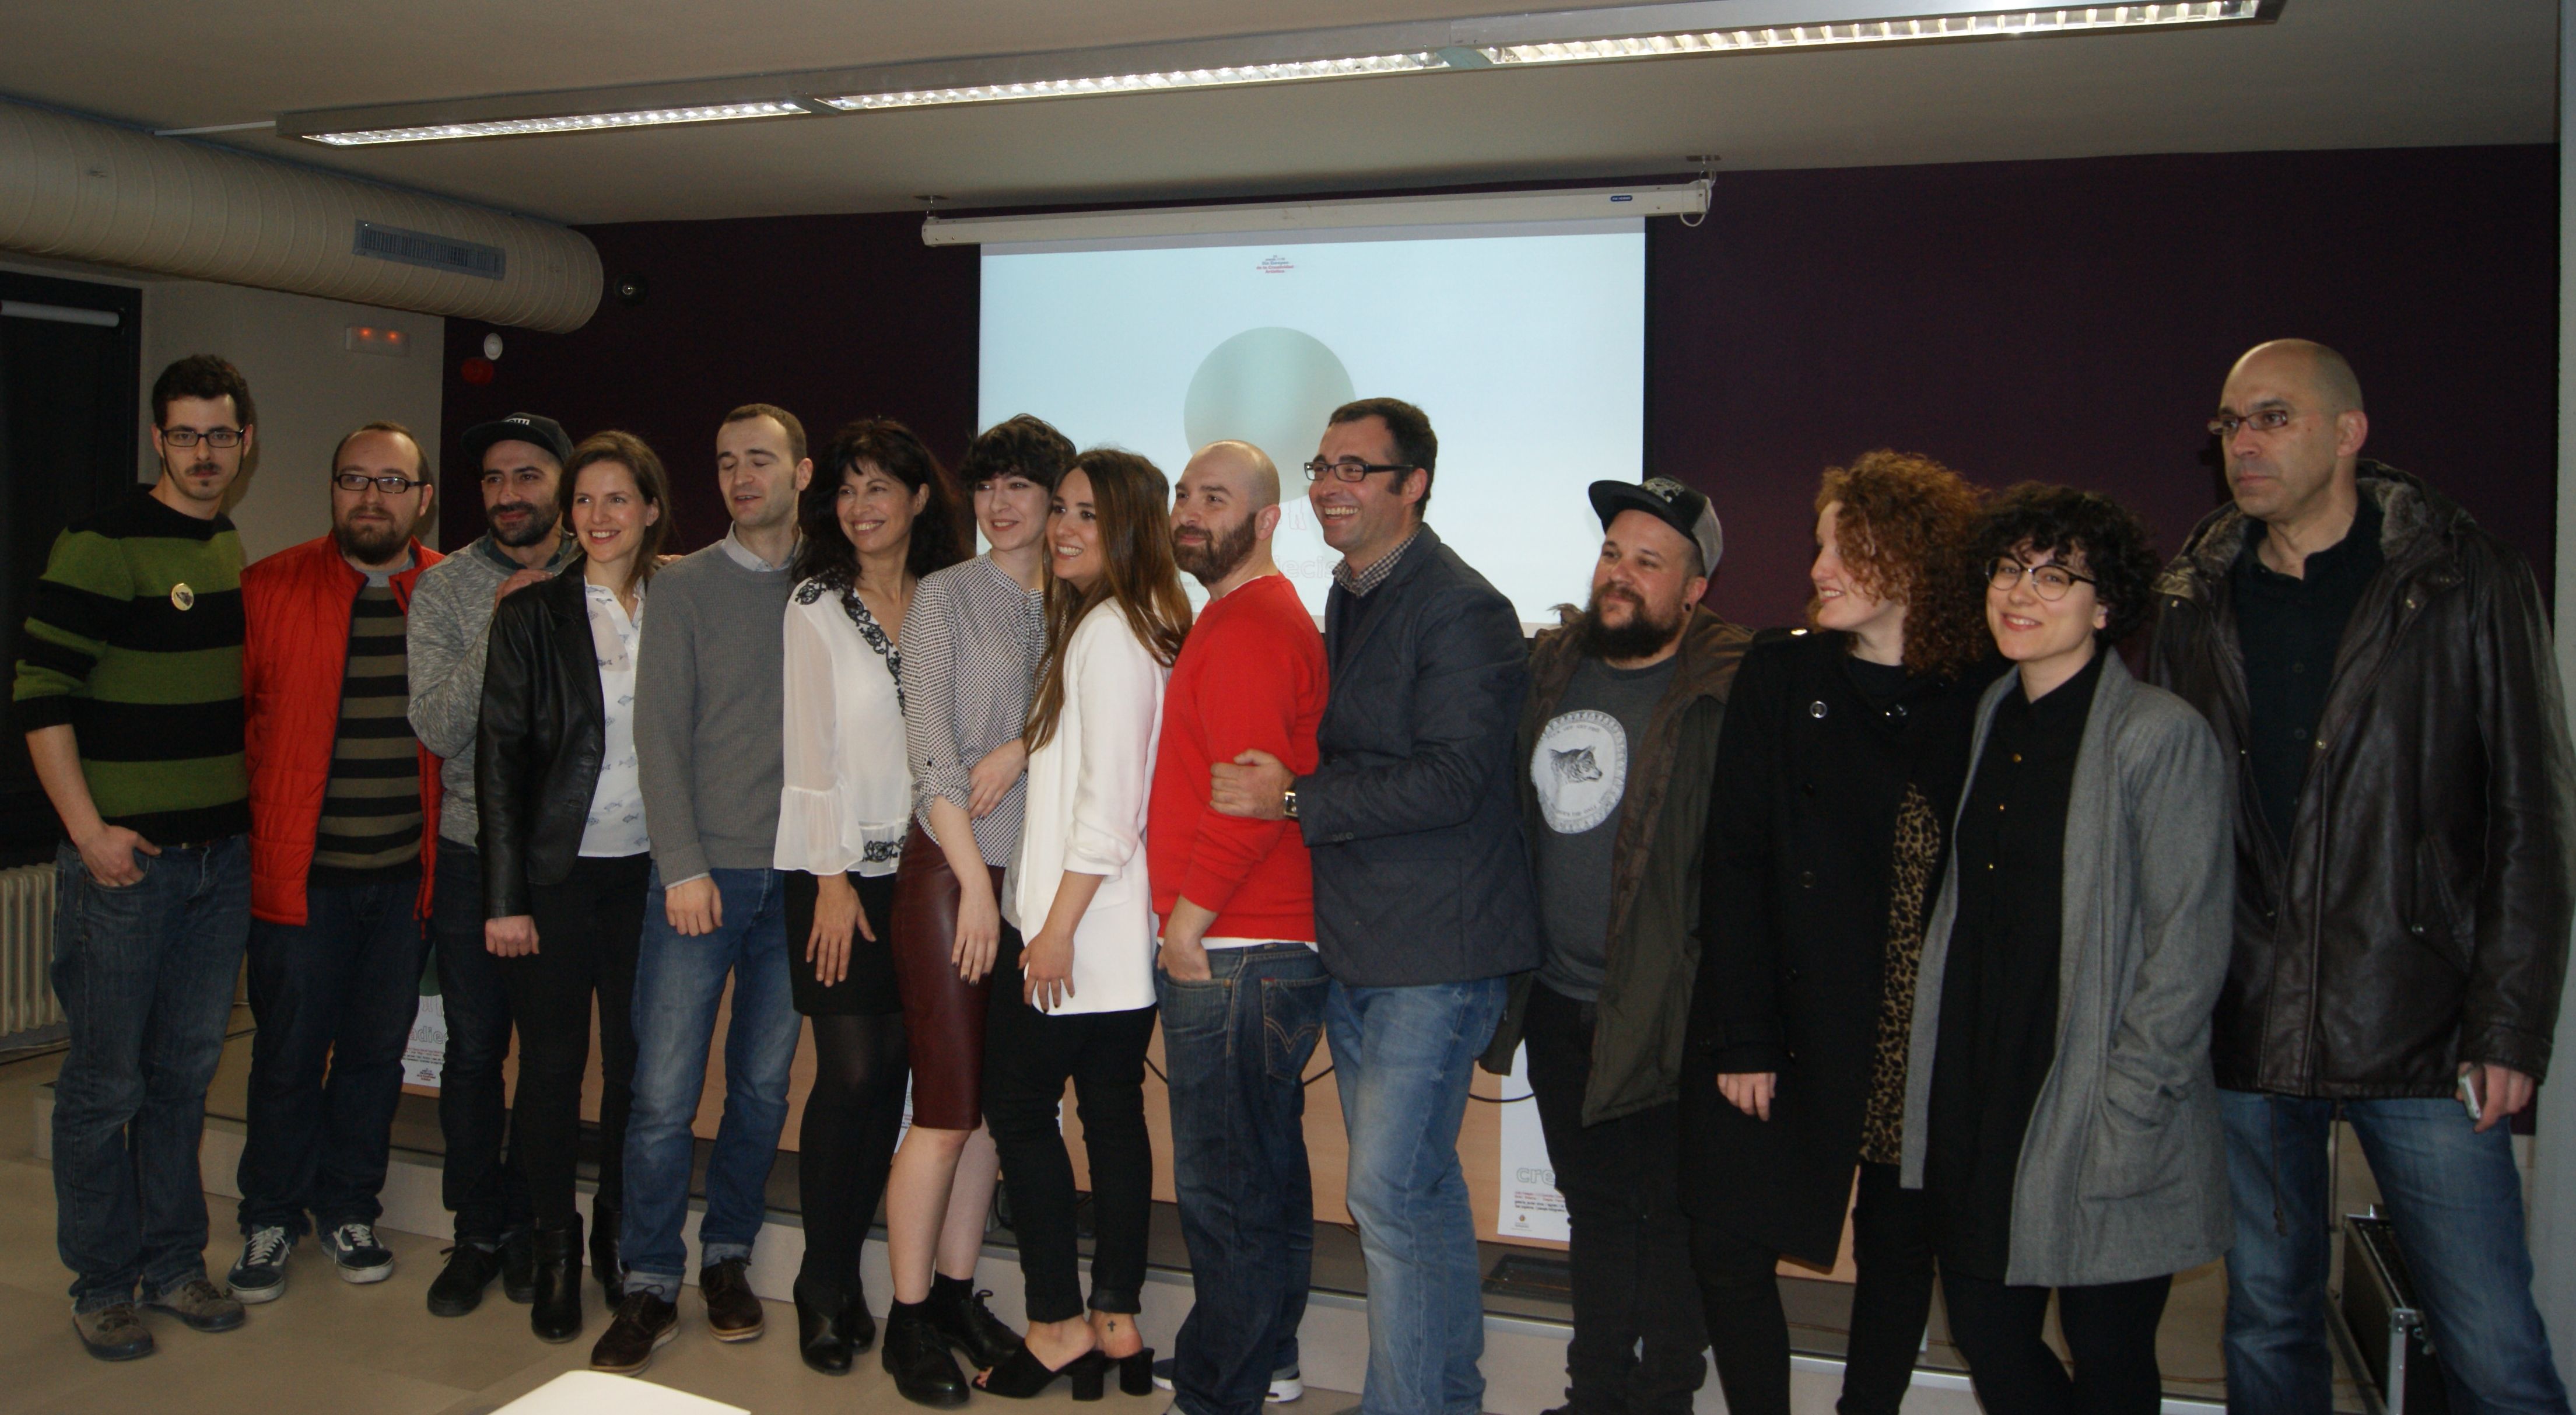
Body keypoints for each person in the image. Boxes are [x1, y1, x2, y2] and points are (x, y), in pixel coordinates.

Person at [2148, 340, 2576, 1414]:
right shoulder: (2194, 592)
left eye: (2272, 417)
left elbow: (2532, 811)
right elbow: (2168, 820)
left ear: (2348, 433)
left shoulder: (2463, 577)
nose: (2242, 443)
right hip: (2246, 1013)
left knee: (2491, 1347)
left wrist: (2509, 1028)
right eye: (2229, 422)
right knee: (2265, 1322)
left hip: (2420, 1020)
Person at [1211, 397, 1537, 1415]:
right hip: (1365, 943)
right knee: (1417, 1191)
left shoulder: (1462, 607)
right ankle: (1443, 1398)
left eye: (1354, 469)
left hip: (1436, 952)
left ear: (1414, 484)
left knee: (1387, 1192)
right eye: (1321, 467)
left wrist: (1294, 799)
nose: (1328, 486)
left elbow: (1453, 780)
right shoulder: (1352, 590)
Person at [1899, 484, 2233, 1414]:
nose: (2021, 592)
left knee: (2110, 1358)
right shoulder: (1991, 713)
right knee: (1988, 1335)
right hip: (1983, 1093)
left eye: (2055, 577)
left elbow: (2186, 950)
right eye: (2010, 569)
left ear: (2105, 605)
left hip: (2100, 1098)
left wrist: (2128, 1107)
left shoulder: (2158, 736)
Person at [1681, 452, 1997, 1415]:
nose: (1818, 568)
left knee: (1898, 1245)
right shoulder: (1781, 671)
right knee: (1726, 1237)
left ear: (1914, 560)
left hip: (1914, 1023)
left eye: (1845, 549)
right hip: (1785, 1011)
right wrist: (1743, 1033)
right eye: (1820, 545)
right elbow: (1734, 859)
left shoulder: (1983, 691)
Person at [1479, 476, 1746, 1415]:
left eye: (1648, 561)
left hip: (1673, 1007)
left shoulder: (1730, 688)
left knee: (1670, 1220)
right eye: (1610, 553)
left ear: (1695, 588)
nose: (1619, 575)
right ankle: (1593, 1394)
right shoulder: (1552, 666)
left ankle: (1662, 1398)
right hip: (1559, 1000)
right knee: (1592, 1210)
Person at [16, 353, 260, 1359]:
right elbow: (40, 693)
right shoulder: (101, 542)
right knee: (104, 1085)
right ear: (160, 440)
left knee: (183, 1077)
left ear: (245, 443)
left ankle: (173, 1264)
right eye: (186, 435)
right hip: (126, 870)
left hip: (218, 864)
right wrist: (88, 832)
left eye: (221, 435)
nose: (204, 454)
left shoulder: (226, 545)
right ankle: (103, 1282)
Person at [594, 404, 811, 1374]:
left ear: (802, 472)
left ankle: (726, 1256)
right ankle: (648, 1276)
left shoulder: (829, 584)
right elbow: (658, 734)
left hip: (798, 877)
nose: (740, 477)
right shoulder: (681, 586)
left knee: (761, 1088)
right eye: (725, 462)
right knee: (662, 1093)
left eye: (759, 459)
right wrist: (680, 864)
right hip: (700, 875)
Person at [976, 447, 1189, 1398]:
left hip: (1078, 935)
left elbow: (1107, 810)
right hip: (1110, 936)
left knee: (1022, 1111)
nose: (1061, 528)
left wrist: (1052, 929)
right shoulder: (1130, 624)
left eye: (1086, 515)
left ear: (1130, 528)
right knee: (1108, 1116)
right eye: (1059, 508)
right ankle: (1115, 1321)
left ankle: (1058, 1321)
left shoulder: (1109, 632)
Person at [881, 414, 1073, 1404]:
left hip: (1034, 885)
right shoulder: (946, 594)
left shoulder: (1080, 601)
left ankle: (956, 1295)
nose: (999, 504)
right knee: (945, 1111)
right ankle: (908, 1318)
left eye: (1020, 487)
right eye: (987, 485)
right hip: (953, 876)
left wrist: (1023, 745)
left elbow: (1091, 721)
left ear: (1054, 501)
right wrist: (975, 890)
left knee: (994, 1115)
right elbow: (929, 754)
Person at [228, 421, 444, 1302]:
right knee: (287, 1057)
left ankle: (349, 1205)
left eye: (392, 483)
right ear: (333, 489)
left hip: (406, 883)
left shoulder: (447, 593)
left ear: (423, 499)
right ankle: (270, 1215)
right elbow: (233, 731)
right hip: (300, 882)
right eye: (354, 479)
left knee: (372, 1058)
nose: (371, 498)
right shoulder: (269, 588)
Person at [773, 419, 969, 1375]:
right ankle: (822, 1279)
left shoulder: (948, 598)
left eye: (878, 487)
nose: (860, 507)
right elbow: (808, 750)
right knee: (850, 1076)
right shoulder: (814, 603)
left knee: (895, 1077)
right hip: (838, 877)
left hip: (928, 875)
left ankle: (858, 1281)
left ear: (919, 498)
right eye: (846, 490)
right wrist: (830, 879)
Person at [1147, 442, 1330, 1415]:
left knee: (1226, 1188)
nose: (1189, 511)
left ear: (1265, 520)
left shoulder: (1252, 626)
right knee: (1263, 1174)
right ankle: (1266, 1359)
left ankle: (1221, 1390)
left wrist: (1185, 928)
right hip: (1259, 947)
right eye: (1184, 493)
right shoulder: (1239, 617)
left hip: (1235, 946)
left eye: (1214, 498)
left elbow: (1246, 801)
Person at [478, 431, 671, 1344]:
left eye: (617, 498)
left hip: (652, 876)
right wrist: (505, 897)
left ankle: (616, 1235)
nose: (598, 516)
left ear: (651, 510)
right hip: (556, 877)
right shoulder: (531, 613)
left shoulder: (679, 604)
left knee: (635, 1070)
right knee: (552, 1069)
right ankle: (553, 1242)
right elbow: (499, 764)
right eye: (584, 500)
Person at [408, 411, 582, 1316]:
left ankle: (536, 1226)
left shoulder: (602, 571)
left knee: (552, 1058)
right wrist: (504, 616)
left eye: (528, 475)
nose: (509, 494)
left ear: (564, 482)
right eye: (492, 478)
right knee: (475, 1050)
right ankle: (478, 1229)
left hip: (575, 860)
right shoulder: (444, 587)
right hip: (475, 854)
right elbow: (438, 726)